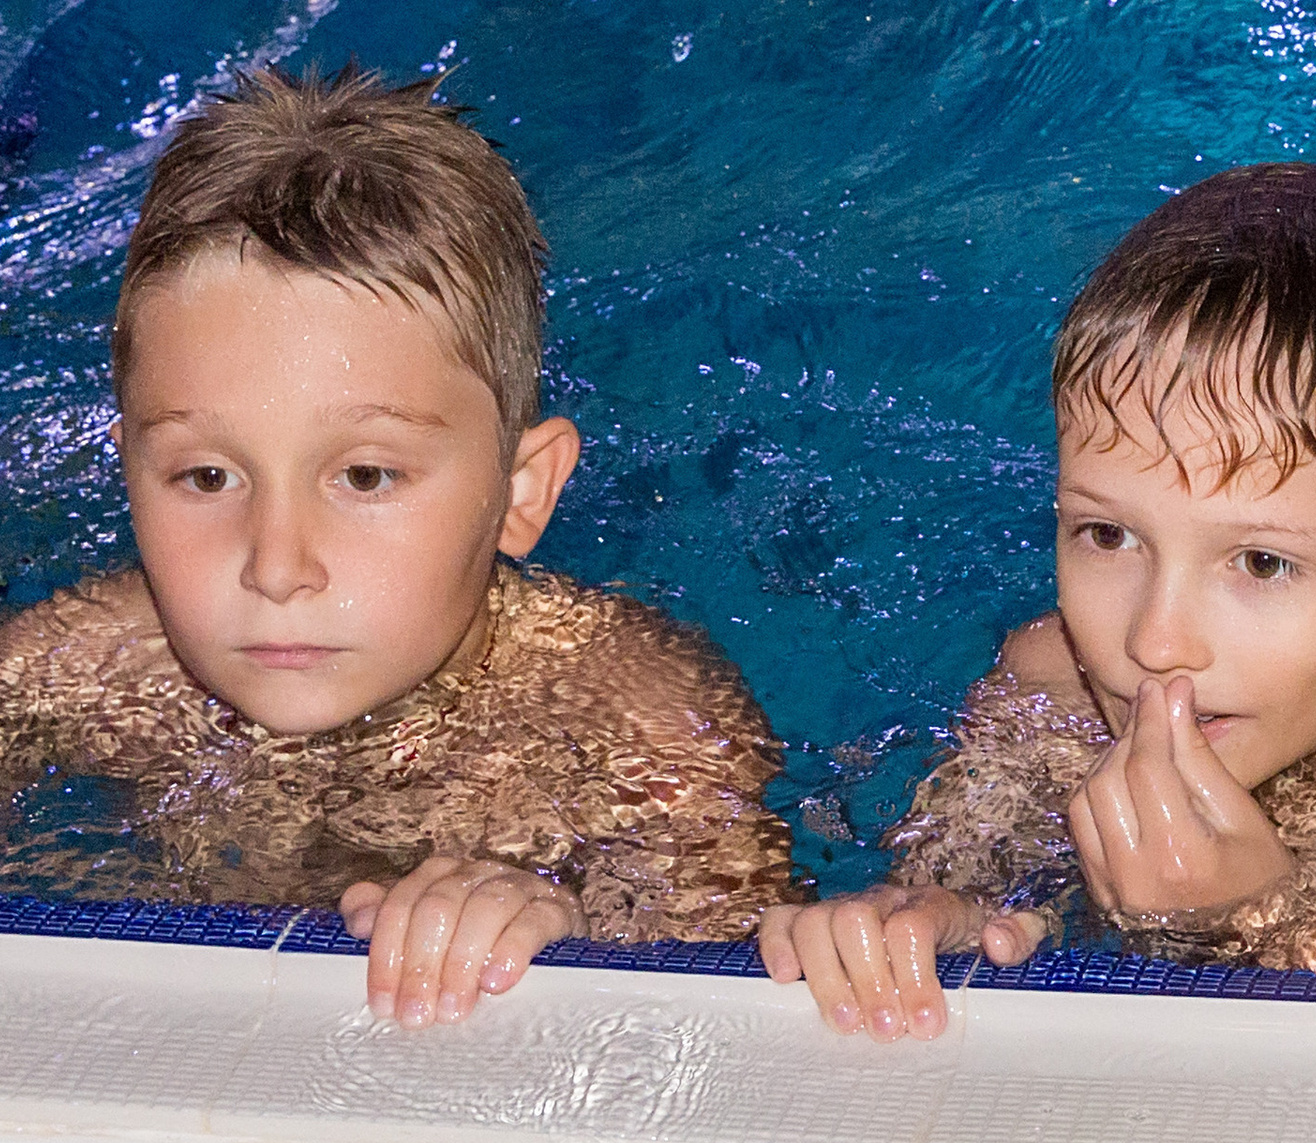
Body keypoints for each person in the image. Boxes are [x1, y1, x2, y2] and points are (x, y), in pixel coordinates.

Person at [760, 162, 1316, 1037]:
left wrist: (1243, 930)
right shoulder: (1050, 687)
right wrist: (936, 926)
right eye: (1107, 535)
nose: (1154, 642)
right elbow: (962, 882)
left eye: (1263, 563)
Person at [0, 65, 795, 1025]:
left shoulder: (635, 721)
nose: (276, 566)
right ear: (129, 470)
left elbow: (734, 1008)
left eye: (367, 477)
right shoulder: (75, 668)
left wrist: (575, 928)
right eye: (206, 477)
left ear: (519, 491)